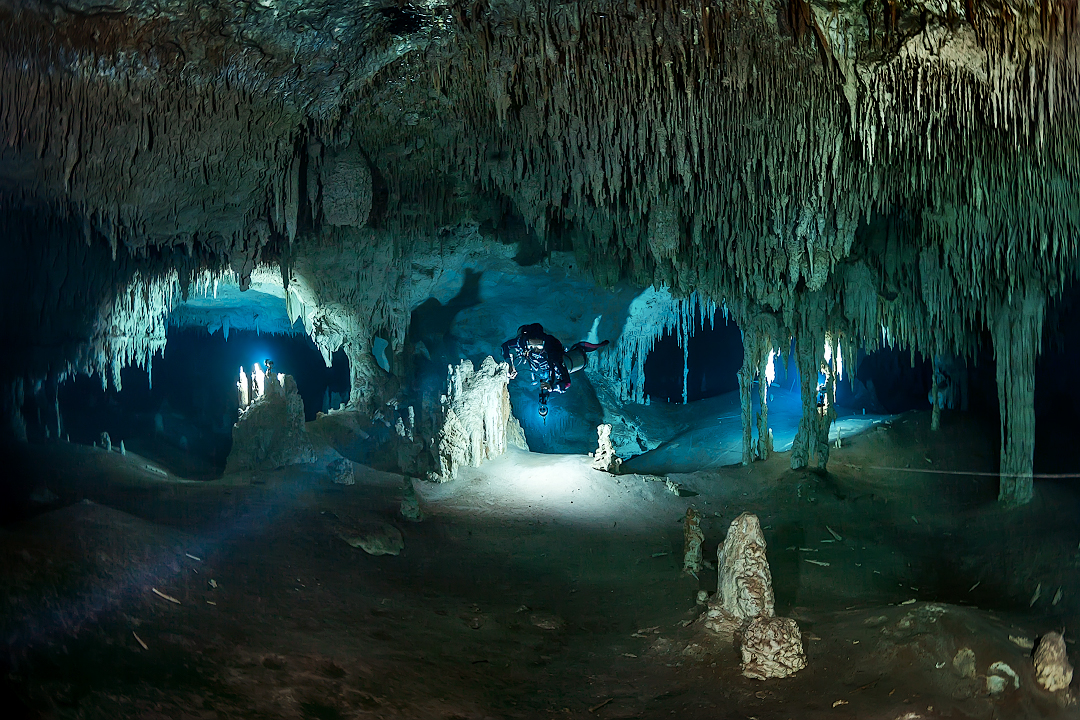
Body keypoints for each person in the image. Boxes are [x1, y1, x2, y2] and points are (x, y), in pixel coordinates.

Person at [501, 323, 609, 416]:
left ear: (543, 345)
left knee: (554, 374)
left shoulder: (553, 355)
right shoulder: (522, 342)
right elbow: (505, 346)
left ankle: (580, 349)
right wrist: (510, 364)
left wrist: (552, 387)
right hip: (536, 364)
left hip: (551, 366)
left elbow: (567, 383)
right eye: (531, 345)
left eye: (538, 346)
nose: (534, 349)